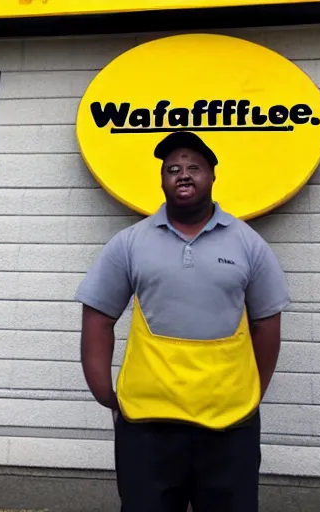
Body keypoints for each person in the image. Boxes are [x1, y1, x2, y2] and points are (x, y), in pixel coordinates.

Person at [75, 131, 290, 512]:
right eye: (173, 168)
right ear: (162, 180)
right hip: (147, 425)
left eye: (194, 167)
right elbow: (98, 316)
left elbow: (266, 324)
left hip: (230, 426)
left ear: (212, 176)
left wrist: (252, 393)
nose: (183, 174)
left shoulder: (249, 243)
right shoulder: (129, 243)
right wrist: (103, 391)